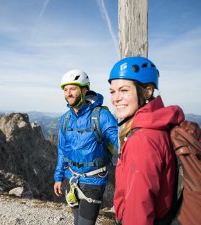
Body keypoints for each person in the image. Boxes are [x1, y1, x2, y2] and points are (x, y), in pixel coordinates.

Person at [108, 56, 184, 225]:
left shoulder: (143, 140)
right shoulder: (158, 126)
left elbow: (139, 211)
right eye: (113, 91)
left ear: (147, 91)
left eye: (124, 90)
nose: (115, 98)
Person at [54, 69, 118, 225]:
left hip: (94, 181)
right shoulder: (65, 119)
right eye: (65, 89)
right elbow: (62, 150)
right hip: (71, 179)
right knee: (77, 221)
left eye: (73, 88)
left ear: (85, 90)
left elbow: (122, 144)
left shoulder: (101, 116)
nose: (68, 93)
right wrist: (58, 177)